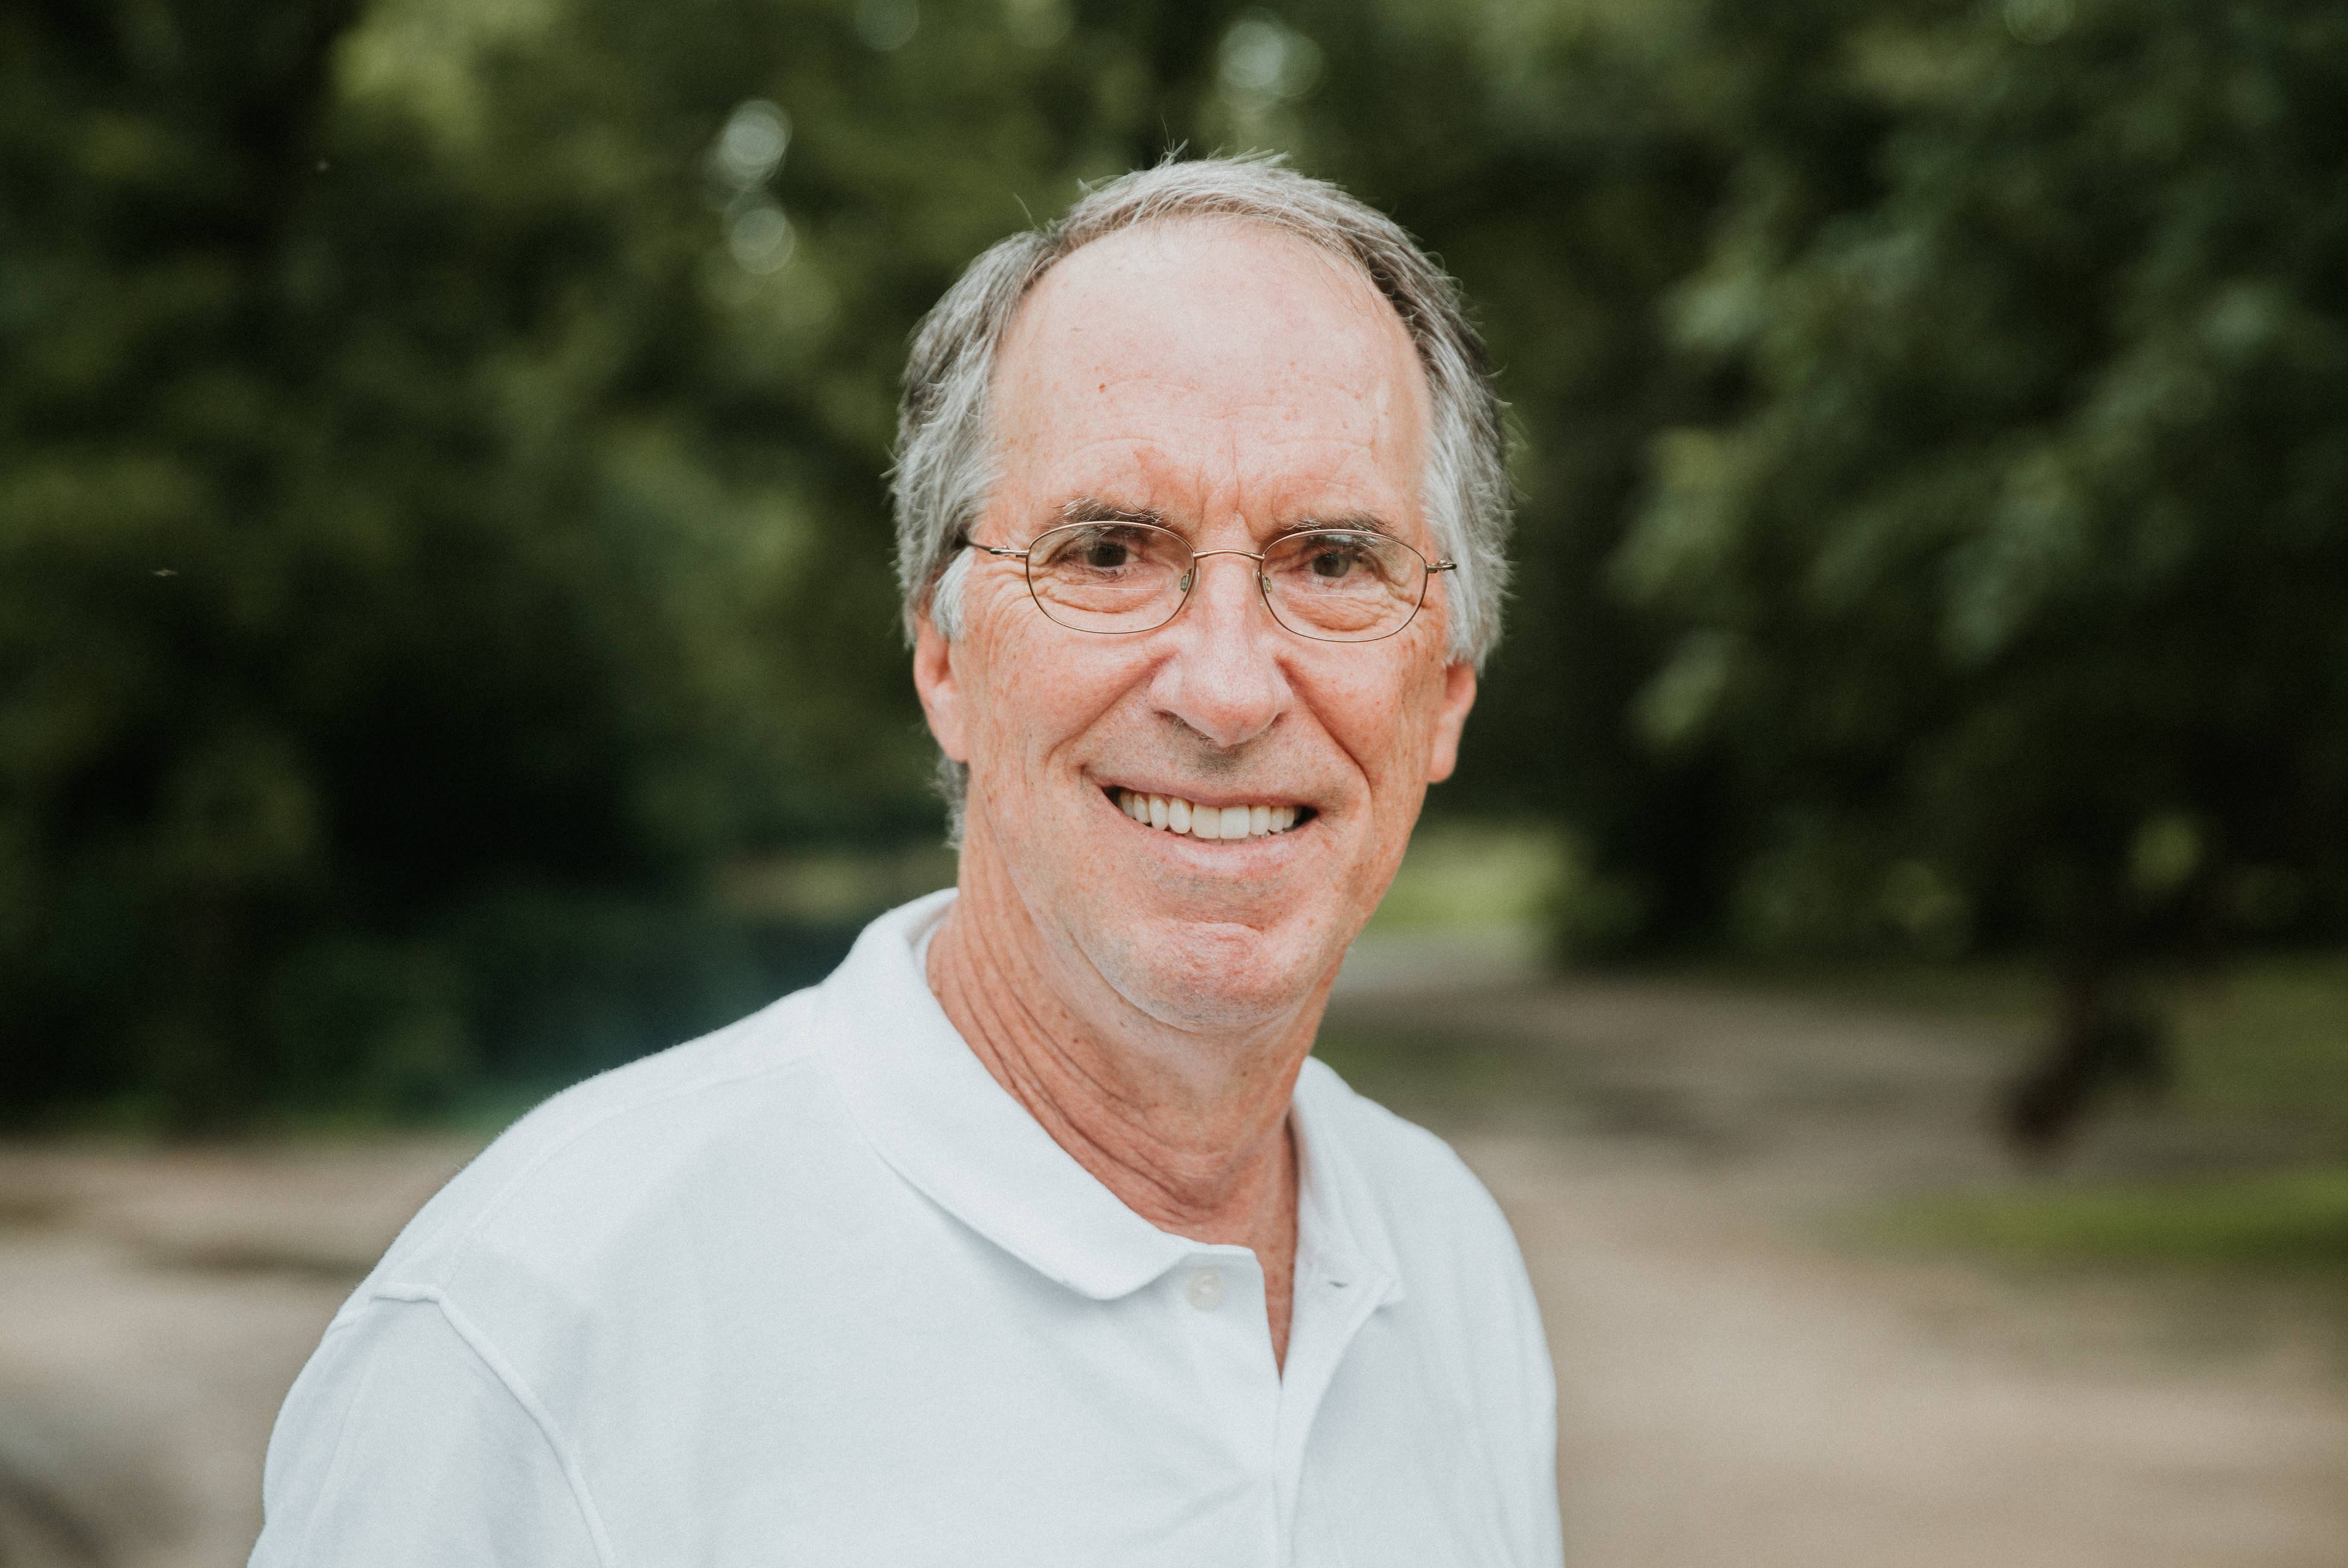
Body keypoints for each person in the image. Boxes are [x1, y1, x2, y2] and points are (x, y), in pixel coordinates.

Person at [248, 156, 1560, 1567]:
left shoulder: (1450, 1258)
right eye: (1110, 549)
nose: (1230, 689)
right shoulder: (540, 1329)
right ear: (945, 659)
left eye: (1333, 559)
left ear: (1445, 695)